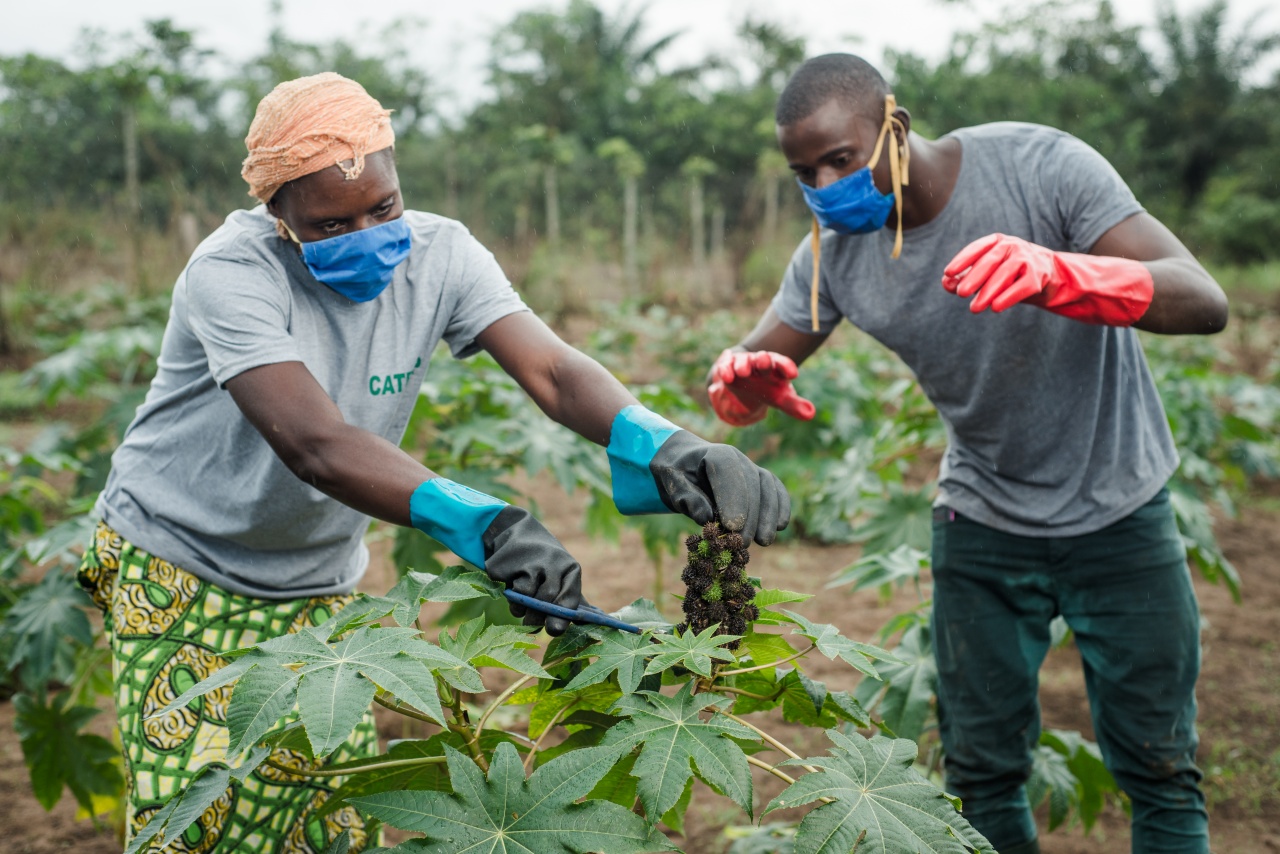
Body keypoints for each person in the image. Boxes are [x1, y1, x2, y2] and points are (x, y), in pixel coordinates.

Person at [78, 72, 789, 853]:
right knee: (204, 824)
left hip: (318, 575)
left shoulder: (443, 252)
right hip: (179, 564)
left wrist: (660, 441)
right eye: (329, 223)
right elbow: (315, 444)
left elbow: (551, 371)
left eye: (383, 207)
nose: (368, 231)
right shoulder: (231, 273)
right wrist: (483, 523)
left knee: (320, 820)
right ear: (275, 212)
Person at [706, 54, 1226, 854]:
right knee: (980, 773)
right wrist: (744, 383)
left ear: (896, 129)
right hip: (982, 518)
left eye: (840, 160)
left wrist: (1060, 272)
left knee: (1159, 767)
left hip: (1120, 506)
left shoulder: (1040, 166)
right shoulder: (831, 258)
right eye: (804, 171)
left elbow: (1203, 299)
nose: (823, 184)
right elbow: (743, 379)